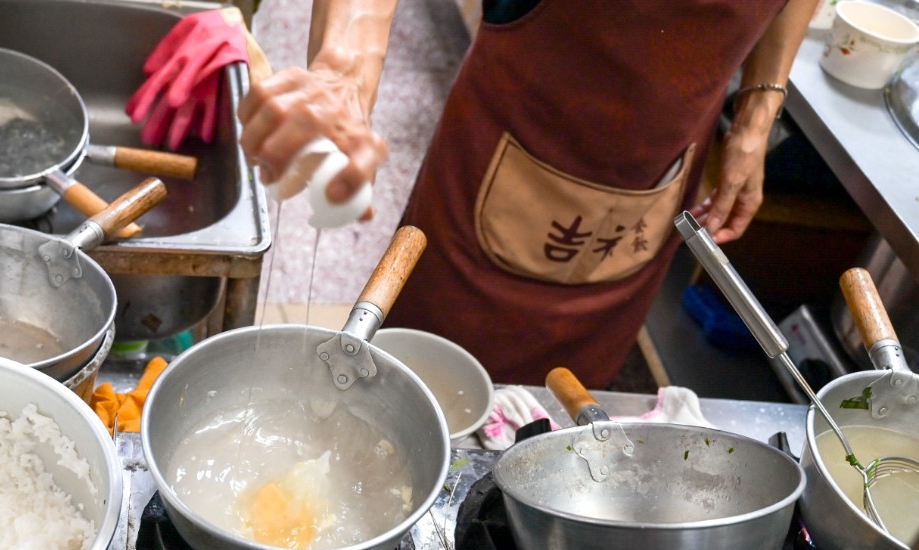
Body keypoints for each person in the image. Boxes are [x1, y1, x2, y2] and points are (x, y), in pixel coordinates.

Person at [238, 0, 818, 386]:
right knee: (415, 377)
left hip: (654, 175)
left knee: (571, 403)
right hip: (508, 149)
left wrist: (759, 109)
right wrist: (342, 67)